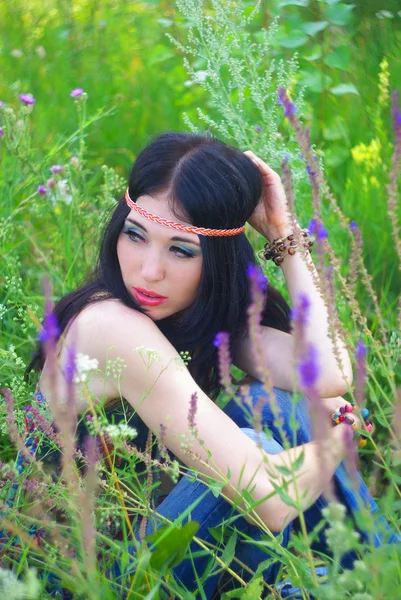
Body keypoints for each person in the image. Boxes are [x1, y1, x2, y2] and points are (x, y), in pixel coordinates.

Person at [18, 131, 399, 597]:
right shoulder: (108, 326)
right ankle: (364, 573)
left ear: (216, 260)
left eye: (181, 250)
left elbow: (327, 374)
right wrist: (338, 434)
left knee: (274, 404)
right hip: (73, 584)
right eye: (135, 236)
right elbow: (269, 500)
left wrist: (284, 236)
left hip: (149, 550)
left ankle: (382, 571)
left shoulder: (198, 316)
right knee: (258, 443)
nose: (148, 271)